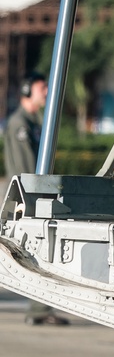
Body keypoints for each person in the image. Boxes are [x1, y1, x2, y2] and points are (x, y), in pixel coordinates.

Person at [4, 72, 68, 326]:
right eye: (42, 88)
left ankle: (41, 308)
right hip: (27, 197)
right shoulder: (20, 124)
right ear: (28, 90)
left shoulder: (32, 121)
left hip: (35, 195)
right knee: (35, 251)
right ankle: (39, 309)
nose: (46, 92)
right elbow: (24, 167)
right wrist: (29, 198)